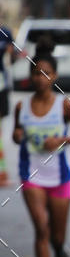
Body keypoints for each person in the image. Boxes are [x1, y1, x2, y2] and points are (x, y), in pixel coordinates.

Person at [12, 39, 70, 257]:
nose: (40, 78)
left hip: (59, 177)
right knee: (41, 229)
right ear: (30, 76)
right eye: (36, 73)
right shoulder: (21, 107)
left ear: (54, 76)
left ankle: (58, 248)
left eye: (46, 73)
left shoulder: (64, 105)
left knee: (57, 235)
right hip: (31, 175)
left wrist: (62, 140)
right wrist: (17, 135)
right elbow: (17, 134)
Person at [0, 19, 17, 187]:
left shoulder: (5, 33)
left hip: (1, 84)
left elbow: (12, 58)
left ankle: (2, 173)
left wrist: (13, 53)